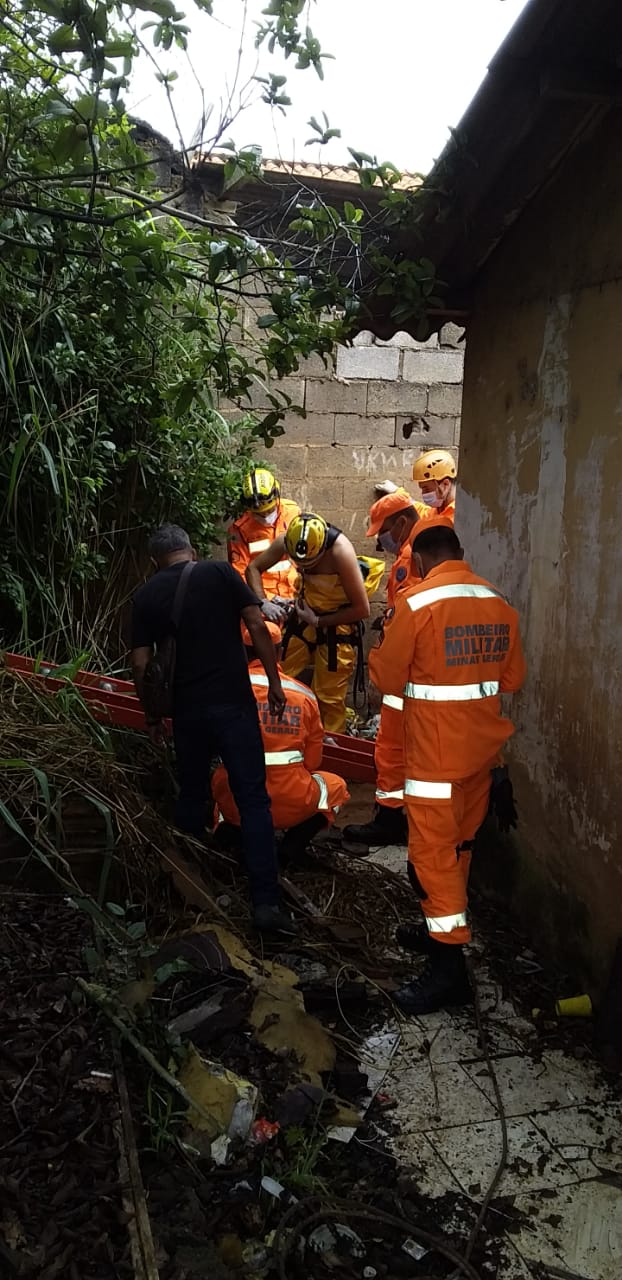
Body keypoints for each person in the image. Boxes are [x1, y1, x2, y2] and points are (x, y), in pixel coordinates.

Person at [368, 519, 526, 1015]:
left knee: (430, 860)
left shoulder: (414, 603)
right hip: (481, 758)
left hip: (435, 761)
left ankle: (447, 971)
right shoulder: (499, 603)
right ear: (460, 552)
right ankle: (439, 930)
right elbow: (511, 678)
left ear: (417, 560)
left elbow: (387, 678)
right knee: (458, 849)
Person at [130, 523, 295, 936]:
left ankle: (189, 892)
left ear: (156, 560)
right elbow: (257, 625)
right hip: (234, 706)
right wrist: (274, 683)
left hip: (187, 714)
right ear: (190, 550)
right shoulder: (220, 573)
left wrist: (152, 716)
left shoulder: (147, 594)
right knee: (253, 800)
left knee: (192, 794)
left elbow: (139, 663)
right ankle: (266, 905)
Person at [342, 500, 453, 850]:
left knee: (392, 750)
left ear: (402, 522)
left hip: (407, 676)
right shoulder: (430, 539)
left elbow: (409, 615)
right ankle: (410, 820)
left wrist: (386, 652)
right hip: (426, 673)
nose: (382, 542)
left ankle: (391, 820)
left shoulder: (410, 557)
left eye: (384, 532)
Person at [212, 621, 350, 857]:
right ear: (280, 652)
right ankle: (291, 848)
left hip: (240, 801)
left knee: (218, 779)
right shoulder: (303, 694)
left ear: (242, 651)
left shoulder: (224, 689)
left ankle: (234, 837)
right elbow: (313, 763)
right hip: (292, 802)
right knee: (336, 787)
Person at [247, 512, 383, 733]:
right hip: (303, 619)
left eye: (310, 564)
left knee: (329, 697)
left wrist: (319, 620)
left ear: (321, 550)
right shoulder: (288, 540)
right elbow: (253, 568)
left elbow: (362, 609)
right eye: (299, 564)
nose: (304, 568)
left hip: (335, 626)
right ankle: (271, 732)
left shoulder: (340, 551)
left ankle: (329, 745)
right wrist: (263, 602)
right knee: (276, 672)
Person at [227, 468, 300, 621]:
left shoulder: (293, 512)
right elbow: (240, 572)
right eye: (259, 513)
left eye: (269, 510)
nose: (266, 515)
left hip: (295, 591)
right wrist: (263, 601)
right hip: (263, 598)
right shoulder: (239, 530)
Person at [412, 448, 457, 519]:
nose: (423, 494)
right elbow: (423, 512)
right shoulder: (439, 509)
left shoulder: (458, 518)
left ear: (445, 484)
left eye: (426, 489)